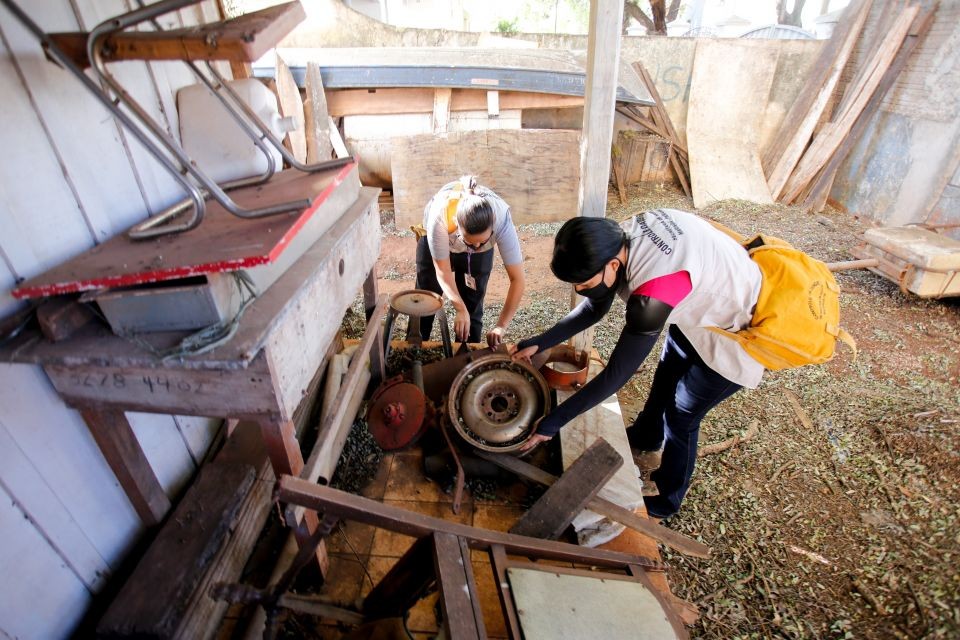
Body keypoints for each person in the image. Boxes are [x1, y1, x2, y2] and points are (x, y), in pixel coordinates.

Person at [512, 210, 765, 520]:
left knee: (682, 415)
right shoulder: (615, 238)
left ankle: (667, 497)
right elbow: (594, 307)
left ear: (614, 265)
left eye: (584, 282)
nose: (581, 290)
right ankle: (646, 437)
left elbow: (616, 375)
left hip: (742, 330)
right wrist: (541, 341)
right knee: (664, 381)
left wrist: (553, 422)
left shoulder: (651, 300)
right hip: (698, 311)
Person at [415, 175, 525, 347]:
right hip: (441, 237)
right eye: (470, 242)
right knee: (425, 297)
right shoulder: (440, 217)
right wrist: (458, 308)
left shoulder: (502, 219)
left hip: (470, 244)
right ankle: (416, 348)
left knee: (472, 304)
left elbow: (518, 279)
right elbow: (442, 271)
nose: (476, 246)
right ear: (456, 224)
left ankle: (467, 355)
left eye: (483, 241)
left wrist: (501, 326)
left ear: (493, 225)